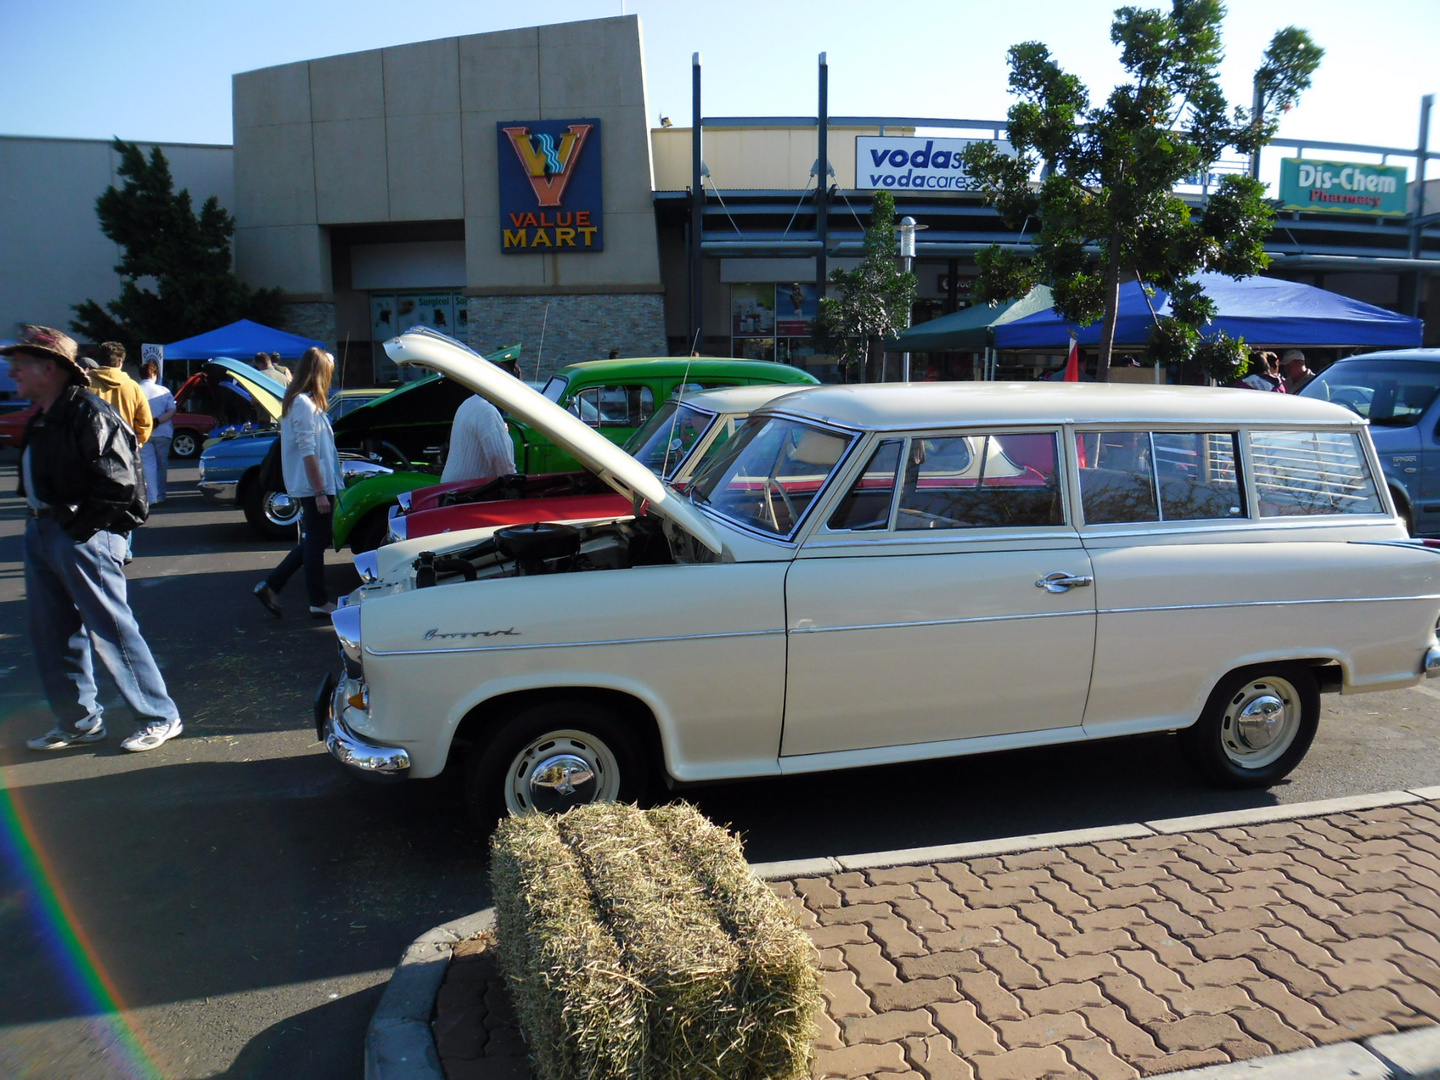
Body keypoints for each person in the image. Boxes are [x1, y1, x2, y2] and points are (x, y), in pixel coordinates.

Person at [6, 326, 184, 753]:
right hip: (46, 529)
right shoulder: (48, 414)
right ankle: (79, 721)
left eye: (21, 364)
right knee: (52, 631)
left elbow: (120, 485)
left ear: (50, 368)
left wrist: (77, 529)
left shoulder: (88, 411)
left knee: (110, 628)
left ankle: (160, 716)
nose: (12, 372)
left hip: (81, 533)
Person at [254, 348, 339, 618]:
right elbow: (308, 451)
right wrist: (320, 492)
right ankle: (317, 599)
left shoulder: (305, 402)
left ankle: (272, 585)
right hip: (314, 486)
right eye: (328, 373)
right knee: (316, 541)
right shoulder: (303, 403)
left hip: (316, 484)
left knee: (315, 540)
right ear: (319, 373)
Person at [441, 393, 516, 483]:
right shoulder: (487, 411)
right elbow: (501, 460)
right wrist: (514, 484)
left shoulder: (468, 403)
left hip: (452, 486)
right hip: (469, 490)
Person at [90, 342, 154, 444]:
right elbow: (145, 422)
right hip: (125, 447)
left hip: (92, 447)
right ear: (120, 363)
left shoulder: (84, 384)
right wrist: (136, 441)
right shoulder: (133, 387)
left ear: (99, 361)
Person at [137, 360, 175, 505]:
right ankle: (161, 494)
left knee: (148, 464)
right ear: (154, 374)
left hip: (142, 431)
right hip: (163, 430)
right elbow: (172, 410)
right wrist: (157, 421)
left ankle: (151, 496)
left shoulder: (136, 389)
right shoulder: (163, 391)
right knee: (162, 463)